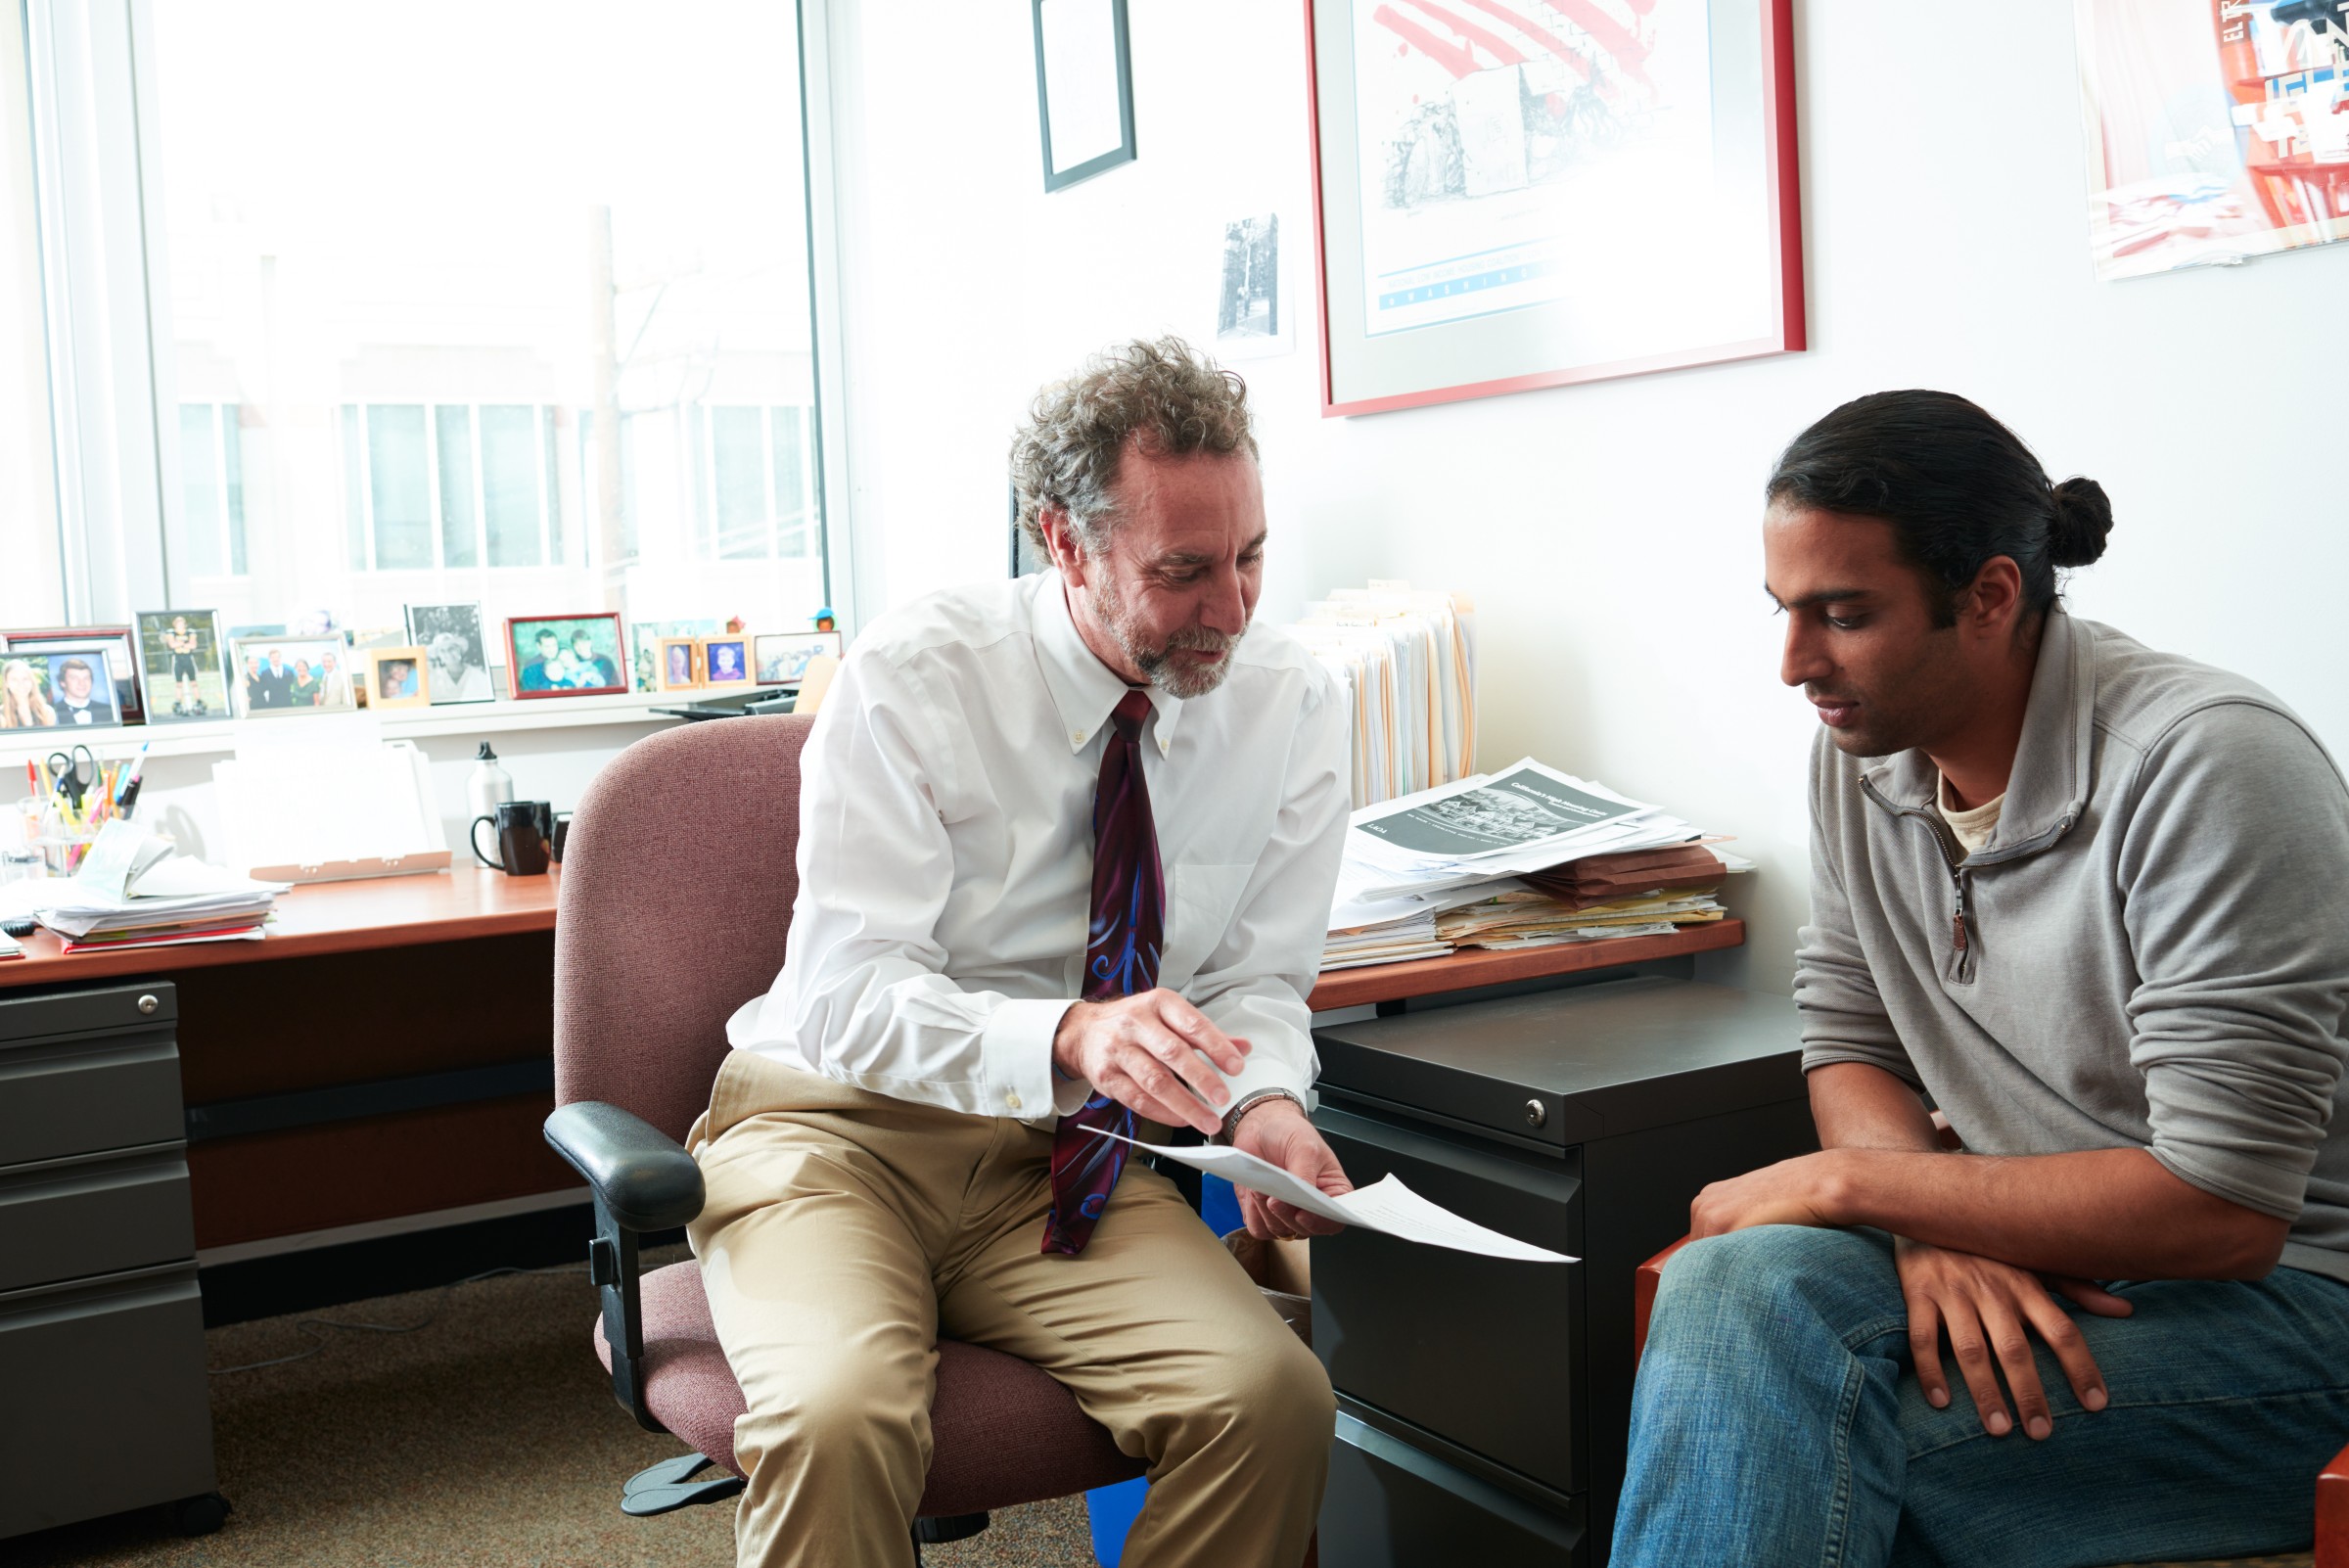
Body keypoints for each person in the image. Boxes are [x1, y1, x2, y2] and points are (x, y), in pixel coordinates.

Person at [1615, 391, 2349, 1567]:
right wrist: (1928, 1220)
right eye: (1785, 612)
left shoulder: (2210, 767)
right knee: (1737, 1283)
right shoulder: (1857, 757)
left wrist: (1871, 1189)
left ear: (1993, 595)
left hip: (2294, 1311)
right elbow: (1849, 1032)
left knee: (1795, 1447)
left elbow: (2227, 1207)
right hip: (2030, 1243)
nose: (1796, 663)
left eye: (1843, 614)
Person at [695, 338, 1349, 1568]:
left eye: (1253, 557)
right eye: (1184, 571)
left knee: (1269, 1399)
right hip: (835, 1133)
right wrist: (1065, 1034)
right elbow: (845, 996)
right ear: (1063, 541)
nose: (1233, 610)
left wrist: (1262, 1098)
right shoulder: (913, 673)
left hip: (1060, 1163)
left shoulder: (1292, 702)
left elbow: (1257, 979)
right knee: (838, 1417)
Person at [161, 615, 206, 715]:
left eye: (182, 623)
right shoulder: (171, 632)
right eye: (178, 623)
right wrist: (185, 643)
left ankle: (198, 700)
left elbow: (193, 645)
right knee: (179, 683)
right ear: (175, 624)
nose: (180, 624)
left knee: (193, 682)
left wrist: (180, 643)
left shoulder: (190, 632)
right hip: (178, 659)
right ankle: (178, 702)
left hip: (188, 659)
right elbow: (172, 645)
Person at [428, 631, 490, 702]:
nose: (447, 653)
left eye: (451, 648)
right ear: (438, 655)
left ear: (459, 650)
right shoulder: (433, 678)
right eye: (442, 650)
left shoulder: (477, 675)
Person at [52, 659, 115, 725]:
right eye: (74, 678)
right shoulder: (52, 713)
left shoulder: (110, 710)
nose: (82, 683)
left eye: (86, 678)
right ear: (62, 682)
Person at [0, 658, 55, 729]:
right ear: (6, 683)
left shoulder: (47, 712)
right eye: (14, 679)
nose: (21, 684)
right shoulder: (1, 716)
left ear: (32, 681)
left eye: (25, 679)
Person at [518, 629, 567, 693]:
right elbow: (530, 693)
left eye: (554, 645)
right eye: (547, 646)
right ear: (539, 646)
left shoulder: (563, 658)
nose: (552, 650)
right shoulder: (531, 667)